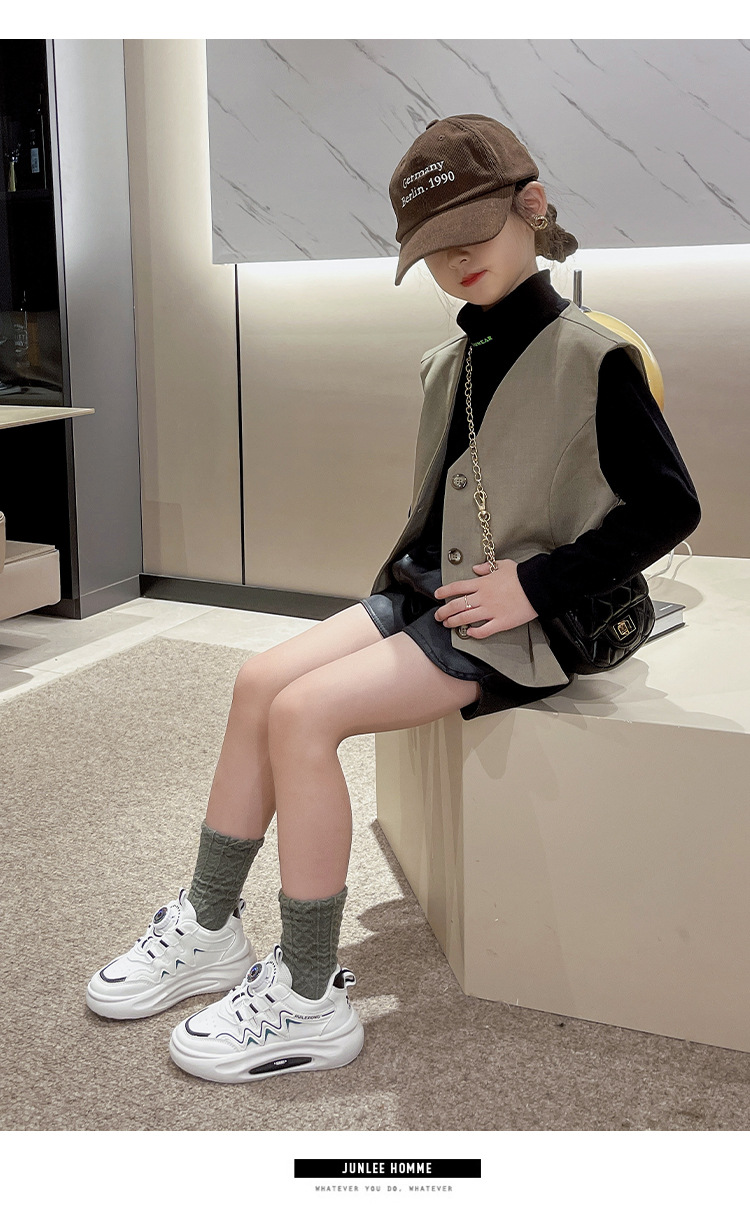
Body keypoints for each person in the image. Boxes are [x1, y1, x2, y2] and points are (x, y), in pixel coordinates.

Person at [86, 114, 701, 1083]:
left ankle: (306, 994)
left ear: (532, 207)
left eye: (473, 235)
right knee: (259, 680)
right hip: (428, 596)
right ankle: (208, 924)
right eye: (435, 249)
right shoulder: (451, 361)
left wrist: (534, 584)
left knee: (304, 715)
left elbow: (671, 506)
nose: (457, 262)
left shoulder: (593, 356)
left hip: (511, 627)